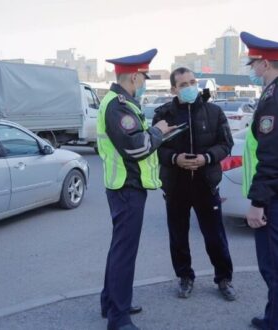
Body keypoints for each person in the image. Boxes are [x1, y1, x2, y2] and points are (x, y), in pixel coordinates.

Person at [97, 49, 176, 330]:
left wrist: (156, 133)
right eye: (143, 77)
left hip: (124, 187)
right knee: (124, 254)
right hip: (126, 189)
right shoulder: (118, 105)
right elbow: (136, 147)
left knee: (119, 250)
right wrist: (159, 133)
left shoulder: (121, 103)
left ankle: (111, 302)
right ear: (133, 77)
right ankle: (119, 318)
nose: (144, 82)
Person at [152, 67, 236, 301]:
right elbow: (155, 148)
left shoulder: (214, 112)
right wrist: (174, 159)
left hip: (205, 184)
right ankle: (185, 277)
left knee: (215, 236)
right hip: (175, 185)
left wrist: (207, 158)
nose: (189, 87)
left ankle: (224, 279)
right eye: (183, 84)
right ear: (173, 89)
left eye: (192, 82)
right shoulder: (163, 114)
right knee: (178, 236)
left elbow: (226, 143)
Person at [241, 31, 278, 330]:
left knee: (272, 264)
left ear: (264, 63)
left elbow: (271, 156)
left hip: (273, 197)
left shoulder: (272, 99)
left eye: (253, 64)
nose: (252, 70)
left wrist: (257, 203)